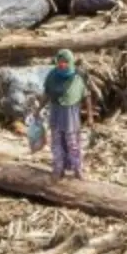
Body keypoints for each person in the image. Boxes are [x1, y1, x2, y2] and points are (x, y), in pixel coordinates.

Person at [42, 48, 87, 178]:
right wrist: (38, 109)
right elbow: (46, 93)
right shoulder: (52, 75)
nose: (62, 65)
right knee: (57, 143)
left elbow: (87, 95)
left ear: (70, 62)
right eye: (60, 62)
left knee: (73, 144)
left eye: (65, 62)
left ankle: (78, 169)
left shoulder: (78, 76)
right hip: (56, 114)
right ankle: (58, 169)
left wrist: (89, 117)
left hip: (71, 117)